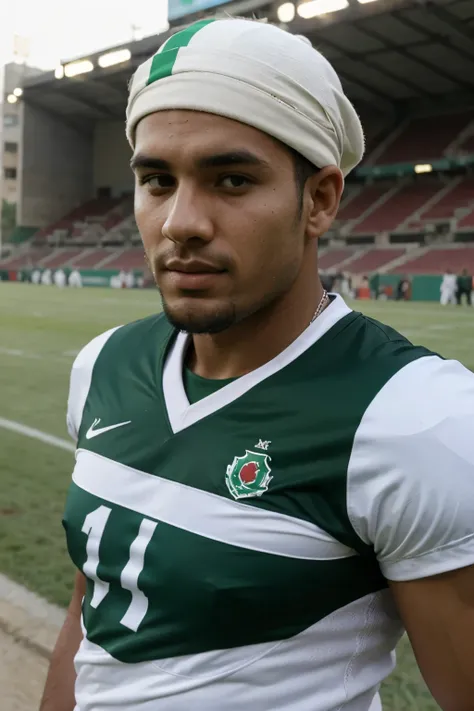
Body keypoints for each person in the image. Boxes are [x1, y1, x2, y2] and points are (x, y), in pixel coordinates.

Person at [40, 17, 474, 711]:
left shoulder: (412, 419)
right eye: (157, 180)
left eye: (232, 180)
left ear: (320, 199)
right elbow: (90, 619)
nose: (181, 221)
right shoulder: (104, 364)